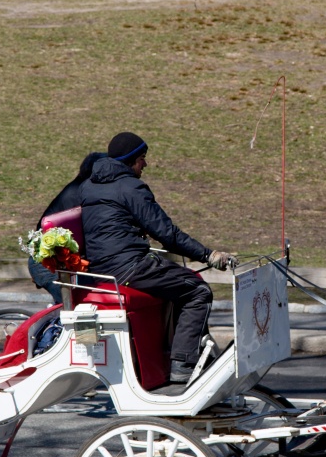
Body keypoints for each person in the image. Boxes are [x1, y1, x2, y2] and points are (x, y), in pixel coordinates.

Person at [77, 132, 233, 387]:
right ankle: (183, 365)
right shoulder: (131, 187)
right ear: (130, 160)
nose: (145, 165)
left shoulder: (89, 185)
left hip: (102, 266)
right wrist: (209, 255)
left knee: (180, 282)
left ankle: (184, 355)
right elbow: (167, 234)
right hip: (128, 266)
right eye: (142, 159)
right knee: (198, 290)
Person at [33, 150, 108, 302]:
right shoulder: (79, 195)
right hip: (50, 264)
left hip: (64, 263)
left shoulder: (82, 191)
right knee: (82, 303)